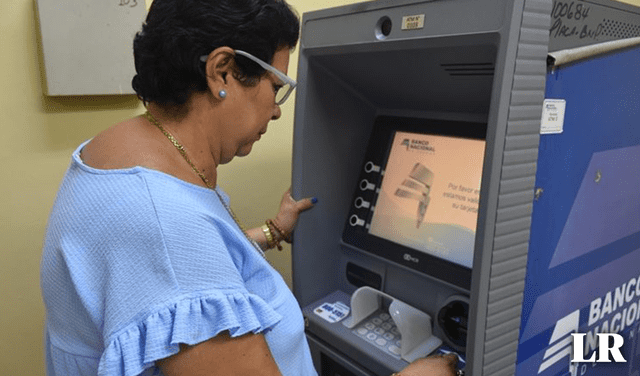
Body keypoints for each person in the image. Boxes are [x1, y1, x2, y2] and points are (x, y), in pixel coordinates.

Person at [40, 0, 459, 375]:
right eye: (276, 87)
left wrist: (272, 231)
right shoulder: (164, 225)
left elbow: (167, 275)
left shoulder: (116, 152)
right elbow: (172, 258)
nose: (276, 111)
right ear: (222, 71)